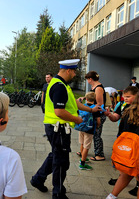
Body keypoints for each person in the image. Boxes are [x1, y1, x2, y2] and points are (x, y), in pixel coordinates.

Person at [30, 59, 101, 199]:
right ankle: (58, 193)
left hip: (56, 128)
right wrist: (77, 119)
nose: (75, 75)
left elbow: (74, 103)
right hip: (58, 129)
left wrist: (91, 110)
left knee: (56, 155)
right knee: (61, 161)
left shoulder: (61, 84)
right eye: (74, 71)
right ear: (68, 70)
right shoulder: (60, 86)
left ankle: (38, 179)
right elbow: (59, 112)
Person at [104, 86, 139, 186]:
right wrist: (109, 115)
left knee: (135, 160)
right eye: (125, 96)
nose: (126, 98)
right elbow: (115, 117)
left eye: (128, 96)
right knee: (122, 158)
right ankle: (122, 179)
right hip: (122, 136)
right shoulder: (122, 105)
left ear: (137, 96)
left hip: (135, 138)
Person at [85, 71, 106, 161]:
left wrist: (98, 118)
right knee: (94, 134)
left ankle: (99, 154)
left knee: (97, 135)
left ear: (90, 79)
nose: (87, 81)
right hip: (94, 114)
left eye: (87, 79)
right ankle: (93, 151)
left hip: (98, 115)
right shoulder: (94, 86)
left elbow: (99, 104)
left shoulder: (98, 88)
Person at [77, 92, 101, 171]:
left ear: (86, 99)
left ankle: (82, 158)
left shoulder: (82, 106)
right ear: (94, 100)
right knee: (86, 146)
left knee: (82, 143)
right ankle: (82, 164)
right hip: (90, 129)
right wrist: (97, 127)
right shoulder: (95, 108)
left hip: (81, 127)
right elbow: (98, 121)